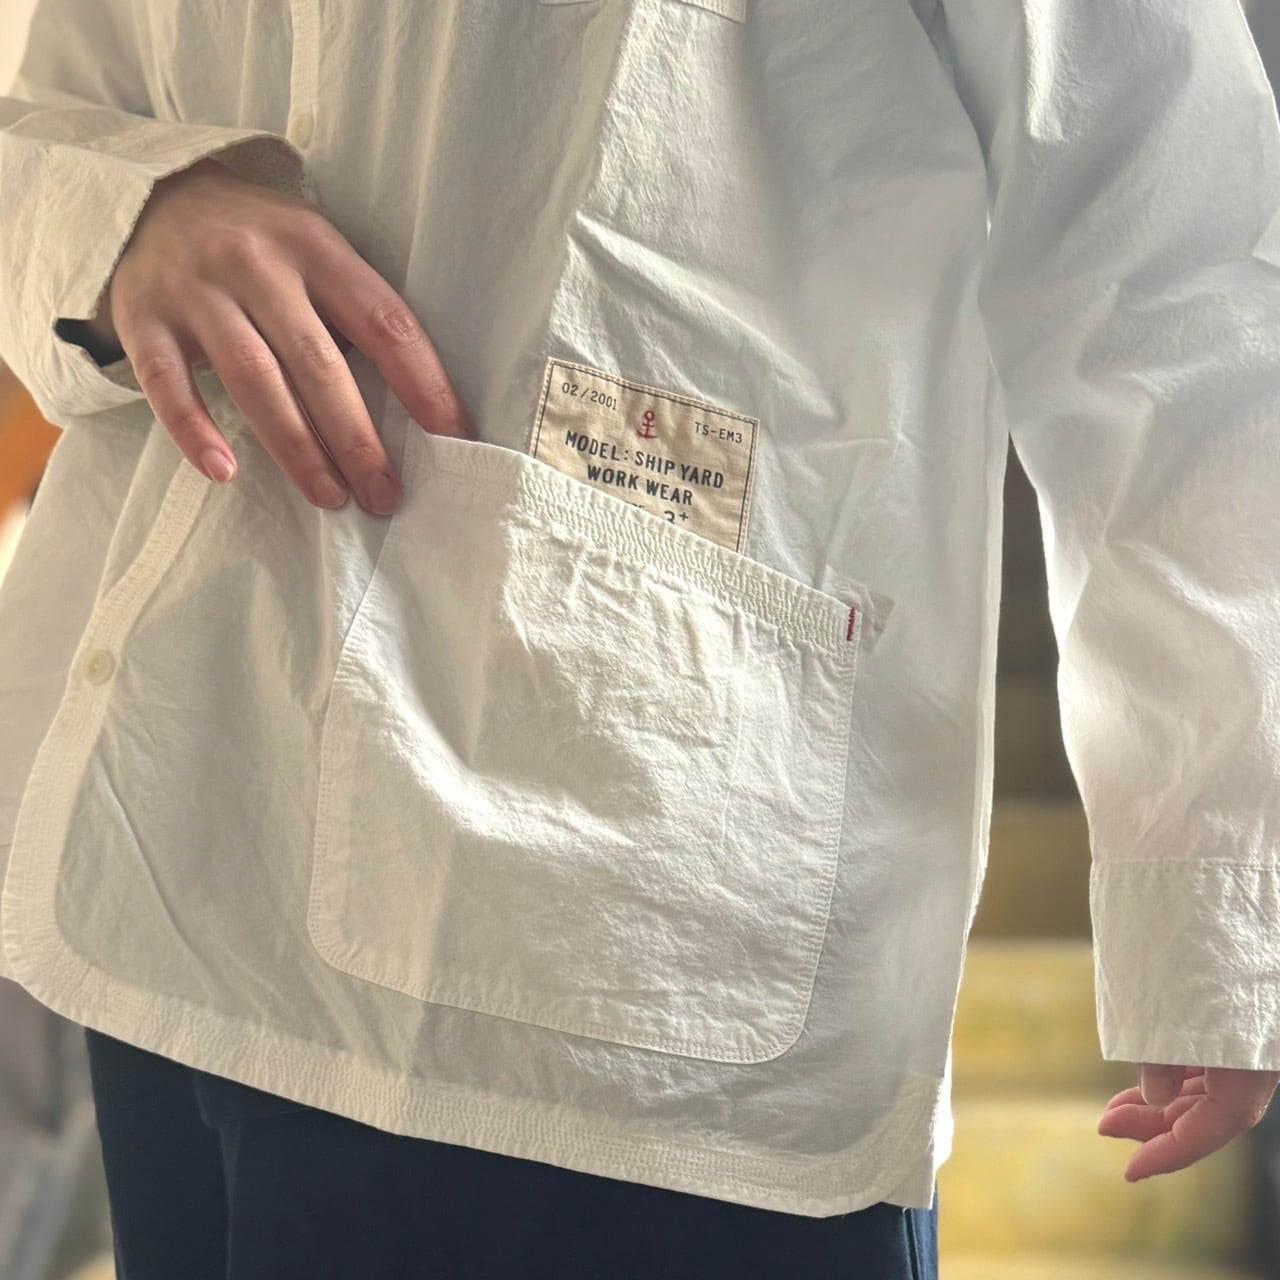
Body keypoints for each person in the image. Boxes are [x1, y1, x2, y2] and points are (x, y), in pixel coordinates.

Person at [1, 0, 1279, 1275]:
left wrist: (1213, 892)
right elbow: (44, 119)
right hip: (175, 840)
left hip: (619, 935)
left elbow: (1165, 272)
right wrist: (137, 214)